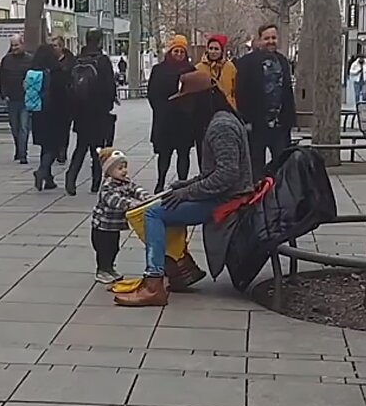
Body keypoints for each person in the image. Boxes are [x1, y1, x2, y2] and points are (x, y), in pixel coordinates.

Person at [115, 71, 253, 307]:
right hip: (225, 194)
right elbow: (217, 172)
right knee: (164, 204)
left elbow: (226, 176)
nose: (185, 109)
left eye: (187, 102)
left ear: (202, 100)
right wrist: (187, 184)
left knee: (153, 213)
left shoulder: (220, 126)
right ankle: (180, 270)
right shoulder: (220, 120)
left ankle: (154, 283)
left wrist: (186, 193)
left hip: (228, 199)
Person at [235, 23, 296, 177]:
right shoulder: (246, 63)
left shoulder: (283, 62)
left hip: (280, 126)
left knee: (281, 167)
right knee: (256, 168)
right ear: (259, 40)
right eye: (266, 38)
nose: (270, 41)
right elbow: (240, 93)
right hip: (257, 126)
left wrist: (289, 120)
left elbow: (287, 92)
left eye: (273, 38)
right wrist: (245, 120)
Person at [65, 29, 117, 195]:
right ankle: (95, 183)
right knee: (97, 149)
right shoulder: (102, 61)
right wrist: (109, 104)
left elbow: (70, 86)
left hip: (81, 112)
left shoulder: (78, 60)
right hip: (98, 111)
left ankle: (71, 177)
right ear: (100, 41)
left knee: (81, 146)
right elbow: (110, 86)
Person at [91, 148, 152, 284]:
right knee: (104, 249)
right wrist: (131, 204)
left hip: (114, 226)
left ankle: (109, 268)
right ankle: (102, 270)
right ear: (109, 171)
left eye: (125, 167)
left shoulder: (125, 182)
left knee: (114, 247)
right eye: (120, 168)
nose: (124, 171)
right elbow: (115, 200)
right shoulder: (108, 186)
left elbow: (136, 189)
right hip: (102, 226)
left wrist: (146, 197)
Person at [147, 35, 197, 193]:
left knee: (184, 154)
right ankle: (160, 182)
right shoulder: (159, 70)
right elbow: (152, 93)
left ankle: (182, 183)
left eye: (181, 51)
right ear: (170, 51)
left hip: (185, 120)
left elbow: (195, 94)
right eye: (176, 51)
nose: (179, 54)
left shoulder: (191, 70)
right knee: (164, 154)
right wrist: (161, 109)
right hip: (165, 119)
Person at [27, 43, 72, 191]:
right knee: (54, 145)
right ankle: (42, 170)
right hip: (55, 113)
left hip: (38, 113)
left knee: (45, 146)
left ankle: (48, 178)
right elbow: (63, 94)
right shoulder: (56, 72)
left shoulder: (33, 71)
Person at [0, 35, 32, 163]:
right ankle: (19, 148)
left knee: (24, 126)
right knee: (14, 127)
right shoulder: (7, 60)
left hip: (25, 98)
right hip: (11, 98)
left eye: (16, 45)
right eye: (12, 45)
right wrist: (3, 94)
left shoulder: (29, 59)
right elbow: (2, 78)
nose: (14, 48)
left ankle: (23, 154)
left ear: (23, 45)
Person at [50, 35, 75, 164]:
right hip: (52, 99)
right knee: (54, 127)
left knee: (65, 127)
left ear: (61, 47)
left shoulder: (70, 60)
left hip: (66, 99)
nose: (53, 48)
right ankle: (55, 149)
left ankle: (62, 151)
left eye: (55, 46)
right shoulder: (49, 61)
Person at [196, 34, 238, 112]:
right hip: (205, 109)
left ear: (221, 51)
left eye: (216, 49)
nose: (213, 52)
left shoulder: (230, 67)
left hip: (228, 109)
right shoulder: (199, 68)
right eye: (211, 48)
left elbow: (236, 90)